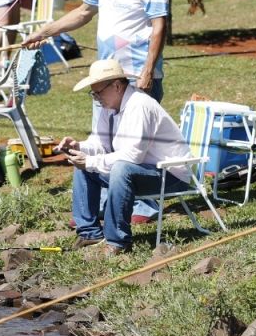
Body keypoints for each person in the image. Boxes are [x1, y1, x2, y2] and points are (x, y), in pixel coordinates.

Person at [24, 0, 168, 223]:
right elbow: (83, 12)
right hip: (105, 75)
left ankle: (145, 205)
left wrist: (147, 71)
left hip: (134, 75)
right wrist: (45, 31)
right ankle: (107, 201)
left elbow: (158, 27)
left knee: (137, 145)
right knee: (103, 139)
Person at [60, 60, 194, 256]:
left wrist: (91, 161)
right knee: (84, 164)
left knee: (120, 168)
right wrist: (79, 147)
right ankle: (90, 233)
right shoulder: (109, 107)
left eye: (98, 92)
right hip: (141, 171)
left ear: (116, 86)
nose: (96, 98)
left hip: (171, 175)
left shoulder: (140, 105)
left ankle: (117, 242)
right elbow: (100, 143)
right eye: (93, 93)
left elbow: (134, 155)